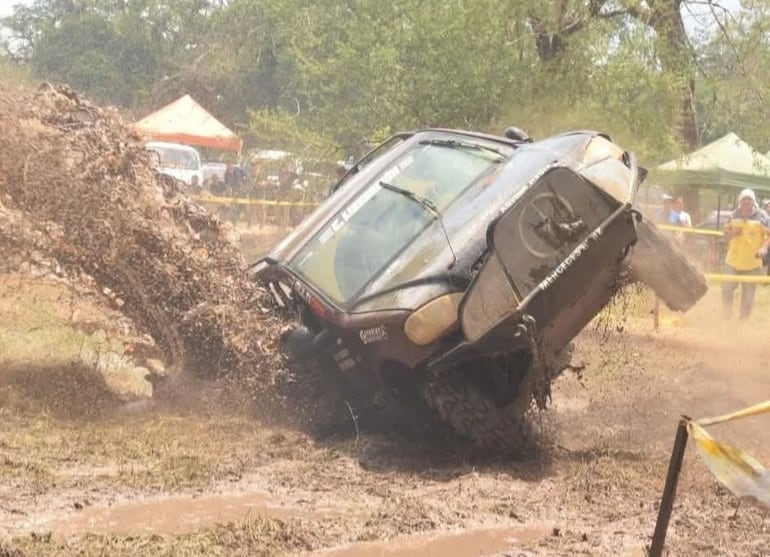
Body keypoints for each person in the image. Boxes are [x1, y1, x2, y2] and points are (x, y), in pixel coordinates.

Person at [722, 188, 770, 319]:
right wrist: (732, 233)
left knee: (748, 296)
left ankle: (742, 323)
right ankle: (726, 318)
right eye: (744, 199)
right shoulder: (733, 215)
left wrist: (764, 248)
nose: (747, 201)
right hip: (732, 261)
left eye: (750, 199)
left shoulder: (762, 217)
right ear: (740, 202)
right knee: (726, 289)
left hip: (752, 263)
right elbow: (725, 234)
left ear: (754, 202)